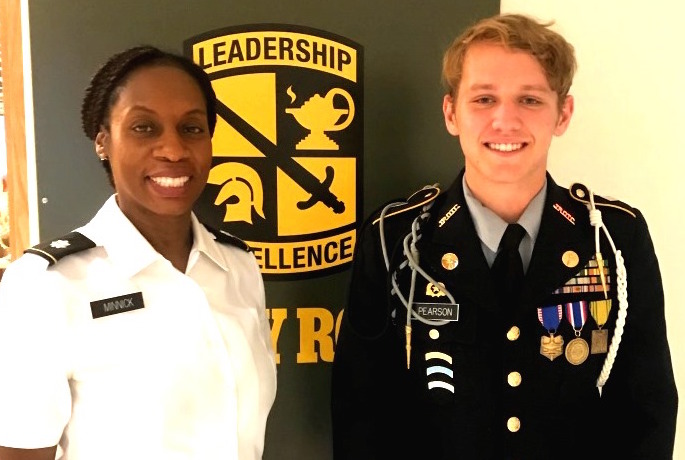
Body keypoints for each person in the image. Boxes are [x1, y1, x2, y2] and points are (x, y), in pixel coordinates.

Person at [331, 13, 677, 460]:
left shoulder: (613, 238)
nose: (505, 120)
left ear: (563, 113)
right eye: (484, 99)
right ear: (451, 112)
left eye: (530, 100)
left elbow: (646, 411)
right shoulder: (394, 240)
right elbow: (363, 415)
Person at [0, 46, 276, 459]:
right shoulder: (47, 285)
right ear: (103, 143)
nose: (173, 150)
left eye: (192, 128)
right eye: (144, 128)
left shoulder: (237, 266)